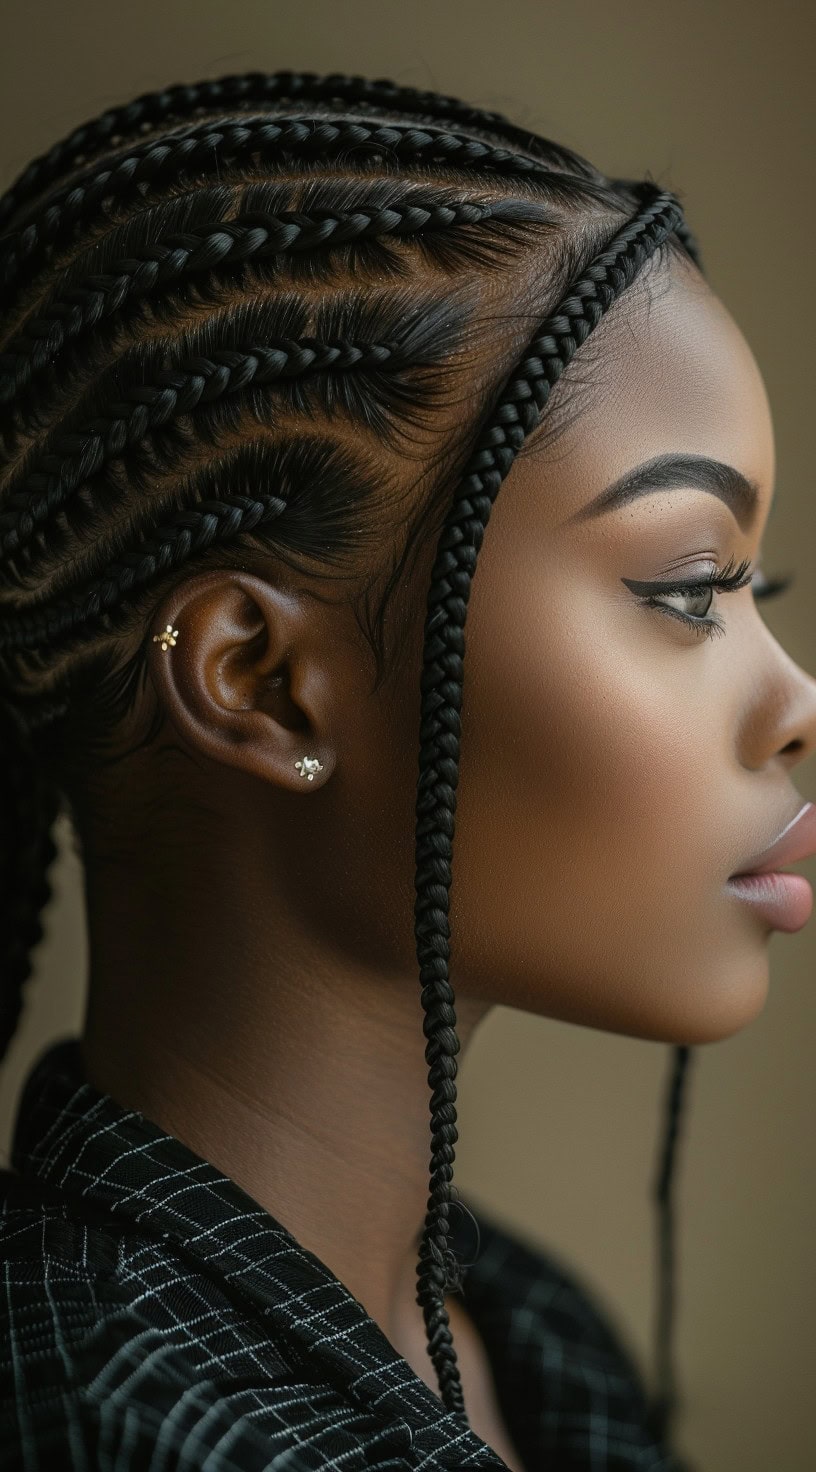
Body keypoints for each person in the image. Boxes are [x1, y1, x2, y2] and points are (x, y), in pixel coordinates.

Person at [1, 68, 815, 1472]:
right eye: (691, 588)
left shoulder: (525, 1328)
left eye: (768, 587)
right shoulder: (105, 1427)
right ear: (262, 680)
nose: (797, 705)